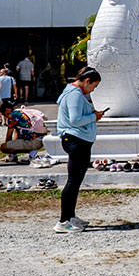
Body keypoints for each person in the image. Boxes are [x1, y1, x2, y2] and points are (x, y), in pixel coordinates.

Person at [53, 67, 105, 233]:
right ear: (87, 81)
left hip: (80, 140)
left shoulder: (74, 92)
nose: (93, 90)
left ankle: (71, 215)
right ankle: (63, 221)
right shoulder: (75, 94)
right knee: (73, 182)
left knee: (75, 182)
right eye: (94, 86)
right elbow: (75, 120)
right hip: (76, 140)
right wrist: (94, 117)